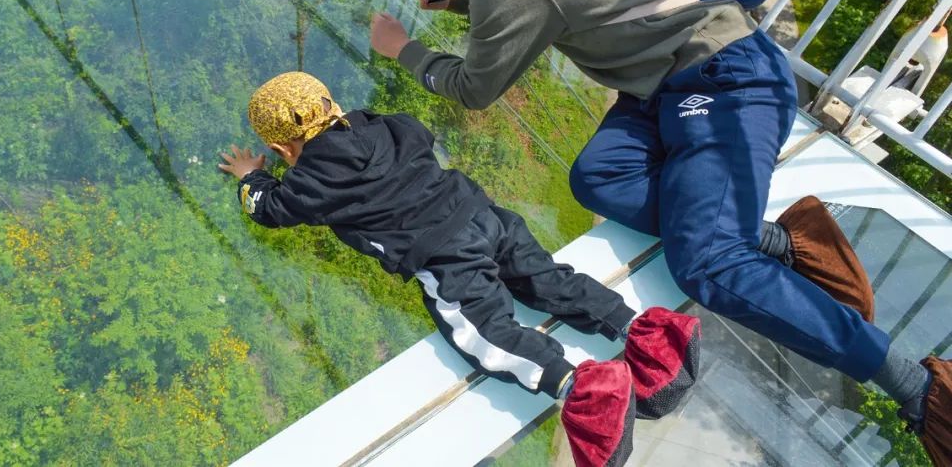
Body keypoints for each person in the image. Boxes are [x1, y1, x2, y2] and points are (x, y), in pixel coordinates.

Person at [367, 0, 950, 465]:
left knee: (707, 263)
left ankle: (916, 387)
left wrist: (403, 48)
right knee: (599, 178)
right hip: (666, 86)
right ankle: (775, 239)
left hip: (725, 79)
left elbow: (474, 86)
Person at [220, 71, 704, 466]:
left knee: (487, 333)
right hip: (486, 217)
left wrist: (251, 177)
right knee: (550, 279)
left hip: (444, 257)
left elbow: (267, 209)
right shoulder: (385, 123)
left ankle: (582, 389)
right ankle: (649, 339)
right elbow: (420, 135)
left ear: (284, 151)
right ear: (333, 106)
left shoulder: (309, 183)